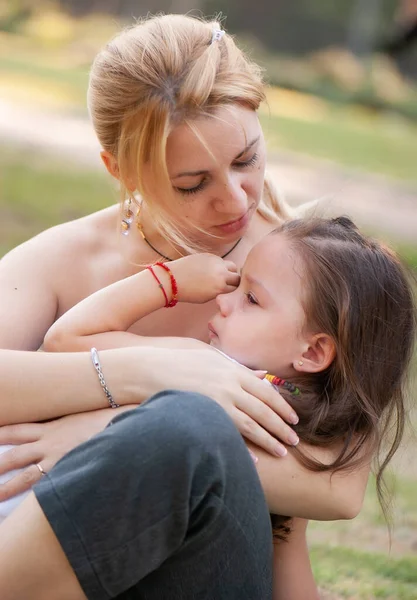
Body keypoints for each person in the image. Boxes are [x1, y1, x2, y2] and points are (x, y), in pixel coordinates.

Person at [0, 12, 390, 598]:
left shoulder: (304, 271)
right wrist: (150, 370)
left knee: (188, 427)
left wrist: (109, 428)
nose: (235, 199)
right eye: (192, 182)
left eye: (247, 160)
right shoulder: (67, 258)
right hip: (52, 556)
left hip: (203, 566)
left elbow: (338, 483)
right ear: (120, 170)